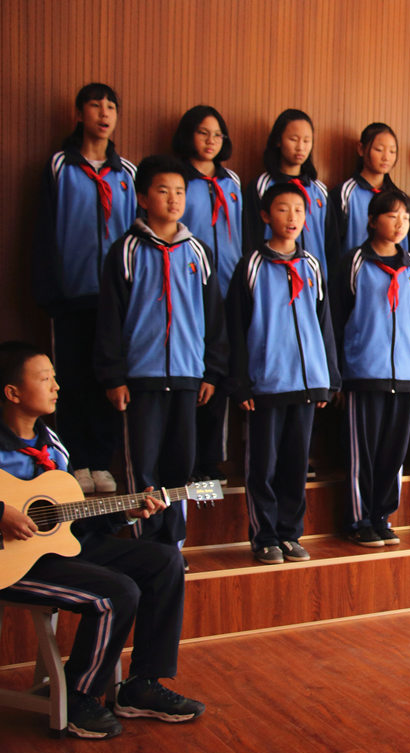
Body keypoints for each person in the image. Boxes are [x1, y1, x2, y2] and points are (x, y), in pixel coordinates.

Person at [0, 341, 204, 739]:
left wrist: (125, 512)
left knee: (164, 560)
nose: (56, 387)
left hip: (52, 552)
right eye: (45, 378)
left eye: (54, 378)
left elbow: (70, 525)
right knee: (118, 592)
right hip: (4, 564)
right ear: (13, 392)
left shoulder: (54, 445)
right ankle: (78, 697)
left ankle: (142, 686)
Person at [95, 155, 227, 549]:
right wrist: (113, 376)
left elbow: (214, 318)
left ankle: (173, 547)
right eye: (163, 191)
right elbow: (109, 319)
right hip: (142, 378)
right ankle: (148, 548)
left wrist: (211, 372)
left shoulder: (199, 252)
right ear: (142, 198)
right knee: (143, 468)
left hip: (188, 377)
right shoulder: (126, 250)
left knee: (180, 466)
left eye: (180, 192)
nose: (173, 199)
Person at [227, 184, 340, 564]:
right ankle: (264, 537)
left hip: (307, 383)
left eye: (299, 210)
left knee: (295, 464)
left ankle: (290, 534)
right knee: (263, 465)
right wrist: (240, 382)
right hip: (267, 383)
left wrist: (328, 378)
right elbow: (237, 328)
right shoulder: (251, 265)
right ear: (265, 215)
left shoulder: (312, 266)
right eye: (282, 209)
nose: (292, 218)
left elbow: (324, 324)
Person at [33, 82, 136, 496]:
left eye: (111, 106)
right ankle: (75, 460)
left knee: (108, 379)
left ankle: (102, 460)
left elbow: (135, 238)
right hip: (71, 294)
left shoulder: (127, 173)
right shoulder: (60, 166)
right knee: (70, 381)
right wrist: (50, 291)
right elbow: (44, 229)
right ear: (80, 115)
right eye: (95, 106)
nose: (104, 113)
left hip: (116, 300)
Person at [332, 190, 410, 547]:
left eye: (405, 217)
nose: (400, 223)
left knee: (394, 452)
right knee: (364, 453)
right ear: (372, 220)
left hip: (406, 374)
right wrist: (338, 377)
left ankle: (382, 515)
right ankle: (359, 519)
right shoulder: (353, 262)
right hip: (364, 374)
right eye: (391, 216)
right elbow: (336, 322)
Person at [172, 105, 242, 483]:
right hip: (186, 291)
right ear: (189, 135)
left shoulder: (232, 183)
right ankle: (185, 459)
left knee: (220, 373)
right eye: (203, 132)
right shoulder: (177, 180)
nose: (211, 140)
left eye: (217, 134)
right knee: (189, 375)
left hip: (228, 289)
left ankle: (210, 461)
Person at [242, 109, 338, 275]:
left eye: (307, 141)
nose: (301, 147)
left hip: (313, 279)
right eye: (293, 139)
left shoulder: (320, 191)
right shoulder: (261, 187)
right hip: (271, 277)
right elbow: (250, 238)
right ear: (278, 141)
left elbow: (332, 244)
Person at [330, 122, 408, 257]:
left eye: (392, 151)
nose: (386, 157)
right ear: (361, 149)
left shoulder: (400, 198)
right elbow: (333, 244)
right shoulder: (344, 194)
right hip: (354, 267)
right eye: (379, 150)